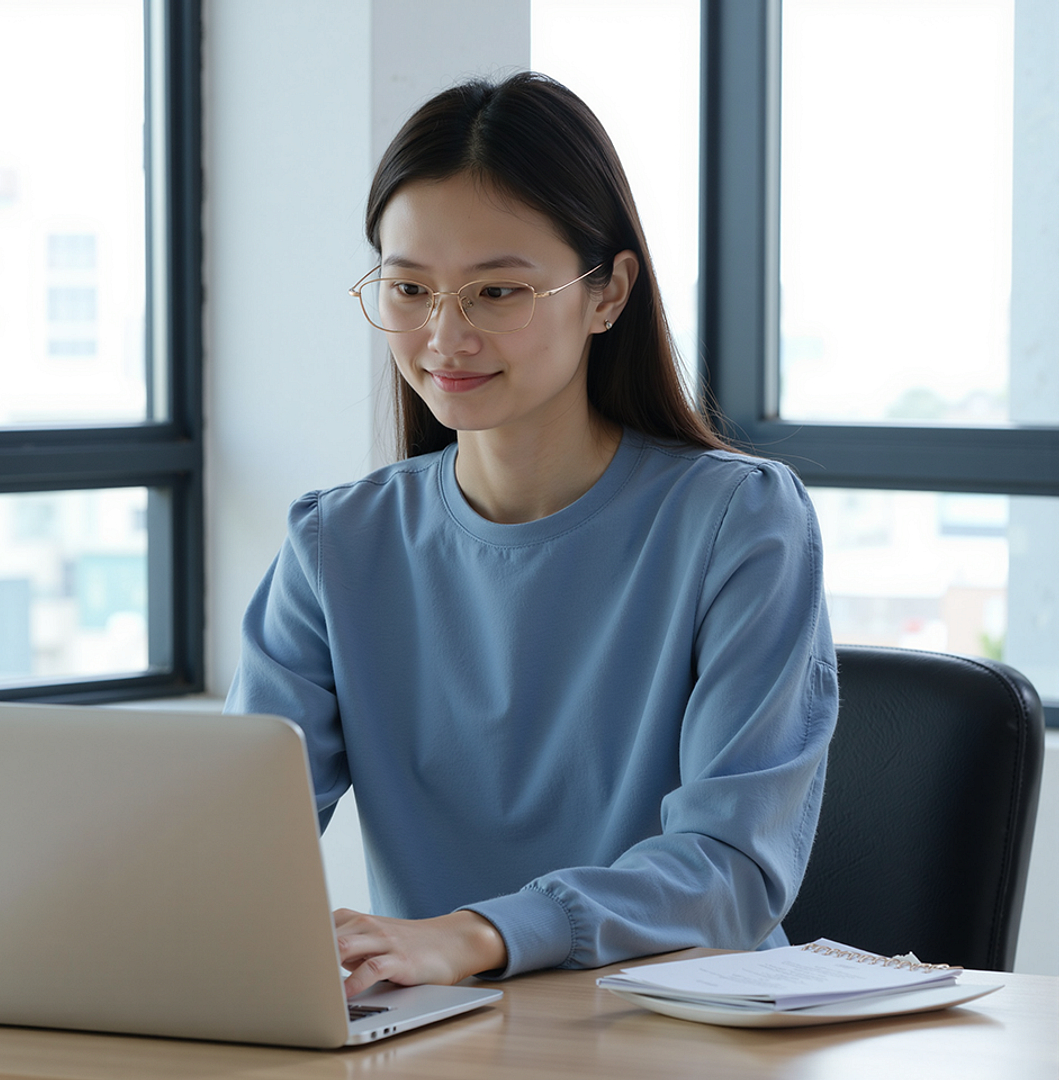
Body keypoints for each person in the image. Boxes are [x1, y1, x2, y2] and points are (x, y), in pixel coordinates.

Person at [225, 72, 838, 998]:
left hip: (686, 1038)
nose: (444, 335)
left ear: (607, 293)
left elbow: (733, 869)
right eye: (409, 288)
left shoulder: (740, 521)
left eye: (497, 291)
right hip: (446, 1038)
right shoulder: (335, 545)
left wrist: (476, 935)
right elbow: (233, 835)